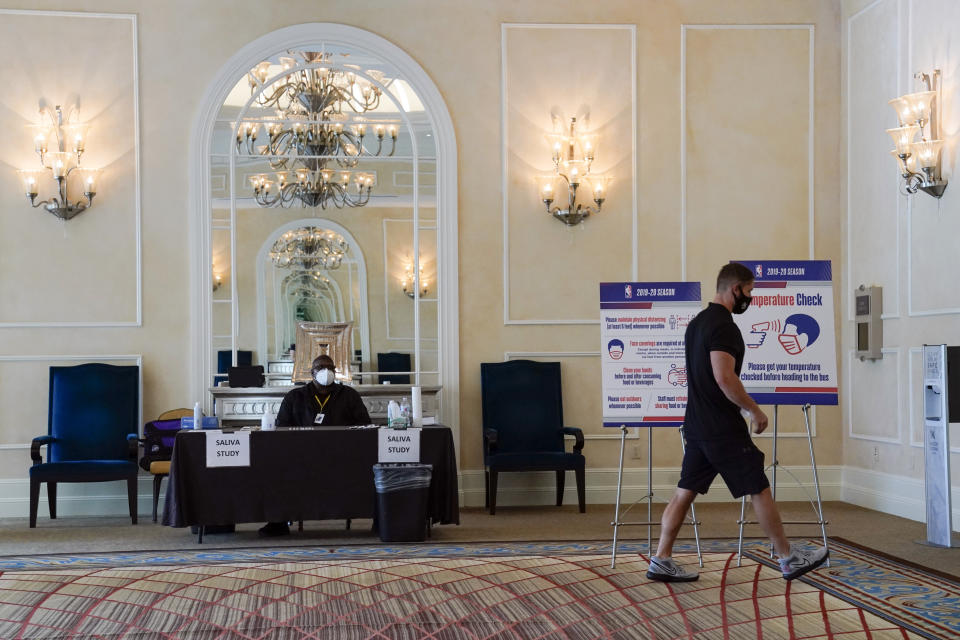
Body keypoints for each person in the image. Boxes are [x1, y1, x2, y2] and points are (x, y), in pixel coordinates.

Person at [646, 263, 829, 582]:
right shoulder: (723, 326)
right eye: (750, 290)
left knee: (684, 490)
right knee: (758, 487)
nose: (751, 297)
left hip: (697, 425)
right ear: (736, 289)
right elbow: (724, 376)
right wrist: (753, 411)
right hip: (721, 427)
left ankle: (661, 558)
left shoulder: (697, 323)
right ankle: (788, 558)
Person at [259, 354, 372, 537]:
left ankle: (377, 517)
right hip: (301, 459)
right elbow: (281, 429)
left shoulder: (349, 396)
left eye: (329, 368)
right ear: (312, 373)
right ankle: (278, 521)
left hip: (341, 458)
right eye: (320, 368)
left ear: (335, 372)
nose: (325, 372)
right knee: (276, 469)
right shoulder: (294, 397)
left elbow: (365, 426)